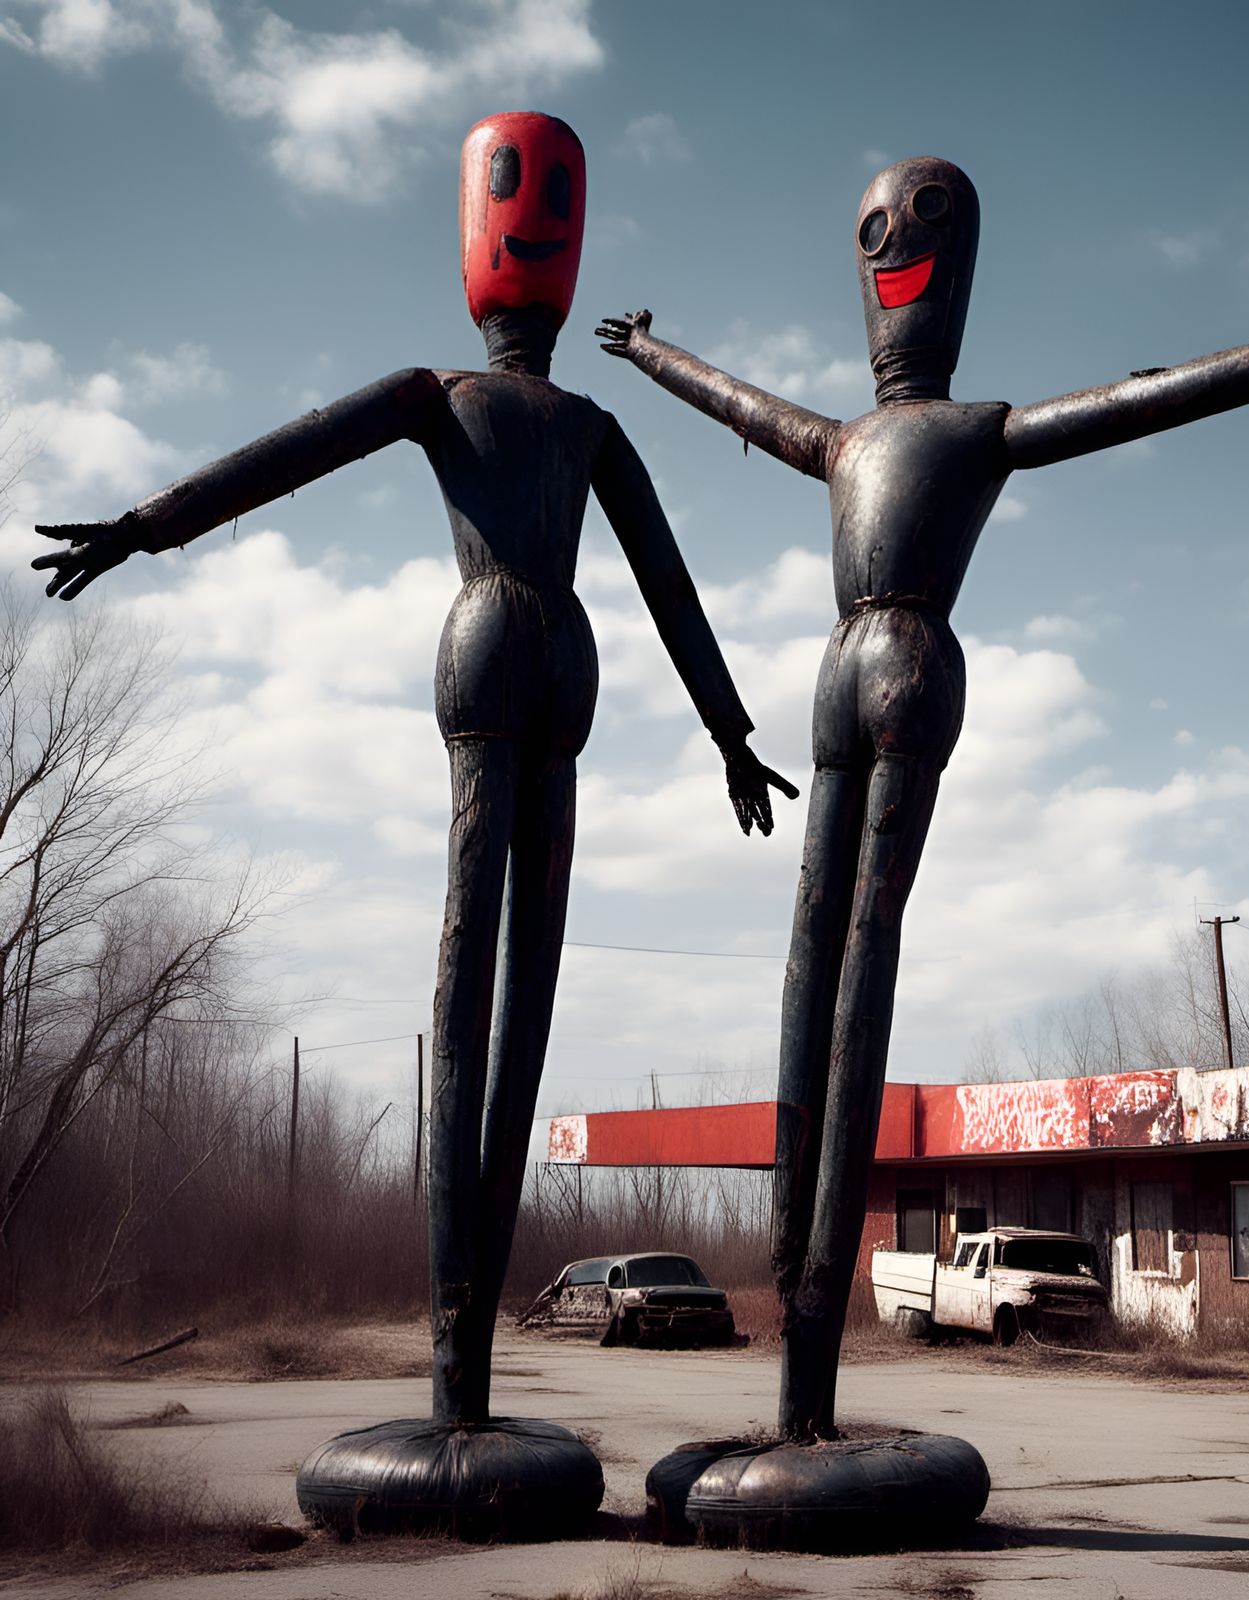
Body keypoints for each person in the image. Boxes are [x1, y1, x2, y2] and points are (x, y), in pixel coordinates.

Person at [597, 154, 1249, 1440]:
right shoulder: (847, 436)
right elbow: (741, 406)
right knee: (807, 948)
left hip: (911, 659)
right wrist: (649, 354)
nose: (891, 254)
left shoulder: (973, 432)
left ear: (955, 277)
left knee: (863, 938)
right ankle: (787, 1239)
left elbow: (1137, 405)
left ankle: (816, 1287)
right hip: (839, 667)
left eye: (916, 229)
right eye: (870, 231)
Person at [35, 112, 794, 1428]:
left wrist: (150, 526)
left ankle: (462, 1348)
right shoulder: (579, 419)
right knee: (519, 990)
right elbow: (667, 582)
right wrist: (725, 731)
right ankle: (464, 1346)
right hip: (563, 657)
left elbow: (289, 451)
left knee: (471, 990)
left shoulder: (450, 396)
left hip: (496, 641)